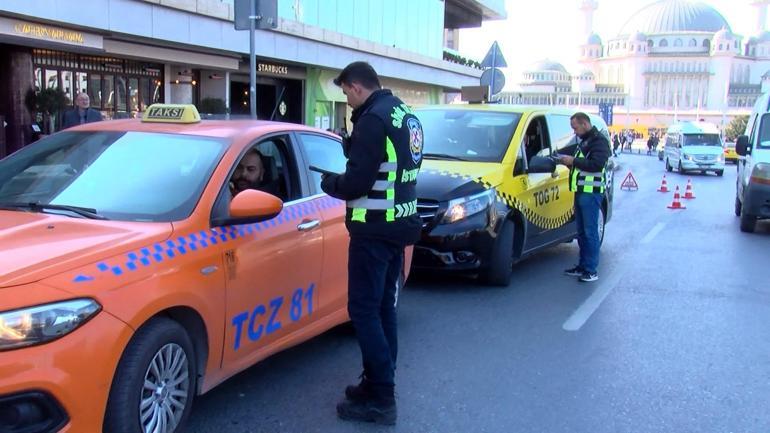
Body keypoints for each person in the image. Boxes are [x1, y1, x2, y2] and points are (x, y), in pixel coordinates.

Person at [320, 61, 423, 425]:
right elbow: (389, 166)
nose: (347, 100)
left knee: (364, 311)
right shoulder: (403, 113)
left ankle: (381, 398)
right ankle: (377, 382)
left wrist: (330, 184)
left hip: (374, 230)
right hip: (398, 225)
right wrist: (354, 145)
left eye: (346, 92)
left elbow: (356, 184)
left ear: (356, 86)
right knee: (383, 309)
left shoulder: (372, 119)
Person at [558, 112, 611, 283]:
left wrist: (572, 161)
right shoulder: (586, 141)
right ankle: (582, 266)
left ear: (584, 124)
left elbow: (597, 164)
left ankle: (591, 270)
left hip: (591, 192)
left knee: (590, 232)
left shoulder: (600, 141)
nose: (574, 132)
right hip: (581, 191)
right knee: (581, 232)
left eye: (575, 127)